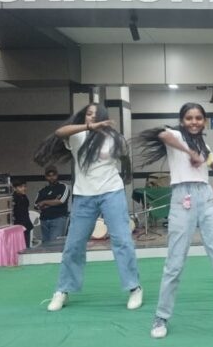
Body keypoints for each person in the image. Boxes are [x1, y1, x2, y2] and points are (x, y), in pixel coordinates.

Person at [137, 102, 213, 338]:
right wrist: (190, 152)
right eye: (189, 118)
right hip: (182, 198)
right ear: (182, 121)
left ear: (204, 121)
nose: (194, 122)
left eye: (198, 118)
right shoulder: (175, 136)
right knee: (174, 264)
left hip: (206, 198)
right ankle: (161, 317)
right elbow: (162, 135)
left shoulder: (204, 145)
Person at [33, 103, 142, 312]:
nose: (90, 117)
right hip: (84, 196)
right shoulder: (77, 135)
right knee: (73, 245)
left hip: (112, 192)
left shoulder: (114, 138)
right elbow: (59, 132)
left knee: (122, 241)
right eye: (87, 114)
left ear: (103, 116)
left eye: (94, 114)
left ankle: (134, 287)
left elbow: (124, 156)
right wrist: (89, 127)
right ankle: (62, 290)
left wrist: (126, 172)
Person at [34, 165, 70, 244]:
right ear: (46, 177)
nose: (51, 177)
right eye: (49, 175)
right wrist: (53, 201)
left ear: (57, 175)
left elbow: (61, 201)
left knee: (54, 244)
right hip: (44, 220)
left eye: (53, 175)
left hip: (58, 219)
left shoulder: (63, 186)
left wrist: (44, 202)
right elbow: (36, 205)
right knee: (45, 245)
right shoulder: (42, 190)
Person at [12, 178, 35, 247]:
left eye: (25, 186)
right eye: (20, 187)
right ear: (14, 188)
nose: (23, 188)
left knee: (26, 246)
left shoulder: (24, 197)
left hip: (26, 225)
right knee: (20, 246)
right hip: (18, 226)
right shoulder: (13, 198)